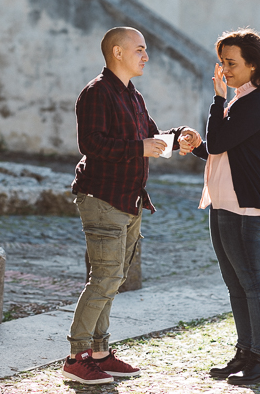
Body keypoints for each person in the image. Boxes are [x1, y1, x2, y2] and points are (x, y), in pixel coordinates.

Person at [63, 26, 198, 385]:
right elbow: (91, 143)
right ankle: (76, 358)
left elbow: (151, 137)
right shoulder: (95, 93)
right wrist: (139, 147)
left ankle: (100, 353)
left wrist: (179, 137)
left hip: (130, 199)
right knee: (105, 277)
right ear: (117, 52)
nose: (146, 56)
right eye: (139, 49)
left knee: (114, 278)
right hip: (102, 198)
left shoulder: (133, 95)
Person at [179, 28, 260, 385]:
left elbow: (221, 140)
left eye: (231, 63)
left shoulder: (259, 101)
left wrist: (217, 101)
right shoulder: (243, 99)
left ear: (253, 64)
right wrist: (197, 144)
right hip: (223, 200)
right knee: (236, 282)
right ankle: (247, 351)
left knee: (252, 281)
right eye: (222, 63)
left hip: (247, 204)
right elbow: (224, 147)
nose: (224, 70)